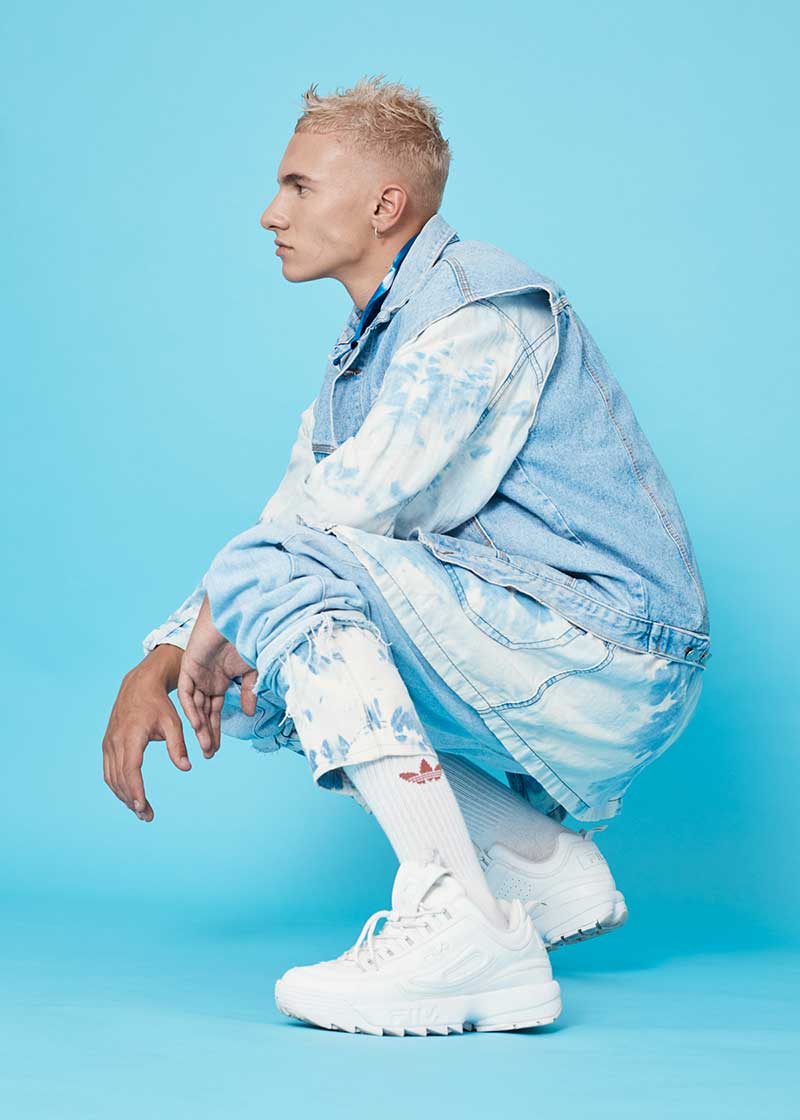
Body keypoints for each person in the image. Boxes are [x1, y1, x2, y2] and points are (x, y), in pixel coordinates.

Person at [102, 75, 710, 1036]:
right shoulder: (365, 359)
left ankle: (461, 921)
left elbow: (330, 522)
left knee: (273, 593)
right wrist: (166, 657)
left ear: (386, 205)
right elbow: (292, 517)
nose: (270, 213)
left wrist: (226, 614)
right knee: (257, 682)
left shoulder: (477, 309)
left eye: (299, 186)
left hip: (616, 652)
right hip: (528, 641)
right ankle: (534, 865)